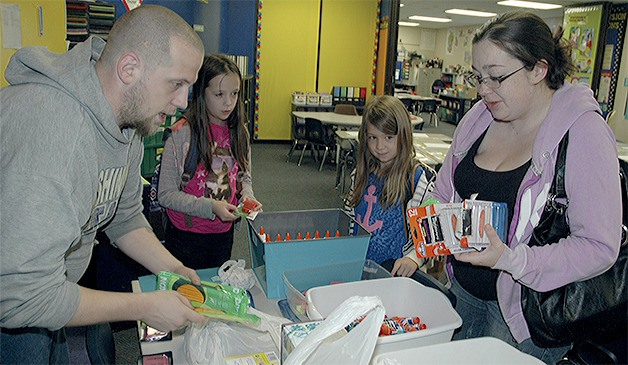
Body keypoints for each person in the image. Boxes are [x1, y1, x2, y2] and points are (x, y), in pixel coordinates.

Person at [0, 5, 208, 364]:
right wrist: (143, 306)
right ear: (129, 69)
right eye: (176, 84)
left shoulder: (130, 119)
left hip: (50, 296)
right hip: (17, 306)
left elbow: (123, 216)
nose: (182, 102)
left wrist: (172, 268)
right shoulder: (54, 132)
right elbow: (23, 296)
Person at [430, 12, 621, 364]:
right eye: (478, 77)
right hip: (462, 288)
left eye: (497, 77)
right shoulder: (478, 118)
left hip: (526, 310)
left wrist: (512, 260)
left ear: (538, 70)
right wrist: (425, 234)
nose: (483, 89)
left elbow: (599, 246)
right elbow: (445, 190)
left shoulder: (583, 134)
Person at [157, 54, 261, 270]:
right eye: (219, 94)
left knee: (216, 290)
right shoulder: (182, 134)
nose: (228, 102)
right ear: (202, 93)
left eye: (234, 94)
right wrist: (211, 207)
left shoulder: (239, 132)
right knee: (186, 294)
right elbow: (165, 194)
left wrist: (247, 197)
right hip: (185, 236)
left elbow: (244, 176)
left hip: (223, 234)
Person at [344, 95, 434, 278]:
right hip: (360, 272)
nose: (380, 146)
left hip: (396, 277)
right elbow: (349, 221)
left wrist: (414, 258)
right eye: (372, 137)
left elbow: (431, 232)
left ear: (404, 135)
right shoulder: (360, 175)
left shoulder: (419, 180)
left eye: (389, 137)